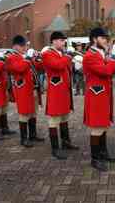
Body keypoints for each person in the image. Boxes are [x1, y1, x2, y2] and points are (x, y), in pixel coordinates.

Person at [83, 27, 115, 172]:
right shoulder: (91, 55)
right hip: (96, 94)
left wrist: (111, 56)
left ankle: (103, 152)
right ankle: (95, 158)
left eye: (106, 38)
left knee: (103, 125)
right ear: (94, 39)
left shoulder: (100, 53)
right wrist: (114, 57)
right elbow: (107, 71)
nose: (106, 40)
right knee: (97, 127)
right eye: (103, 38)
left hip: (103, 93)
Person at [42, 32, 79, 160]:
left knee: (64, 117)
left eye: (64, 41)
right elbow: (58, 66)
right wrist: (68, 57)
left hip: (64, 91)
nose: (63, 43)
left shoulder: (60, 54)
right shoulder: (47, 54)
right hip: (56, 92)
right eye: (61, 40)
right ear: (54, 41)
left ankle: (65, 142)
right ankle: (55, 148)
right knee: (54, 120)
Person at [6, 35, 44, 148]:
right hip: (23, 89)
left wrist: (39, 59)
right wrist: (28, 58)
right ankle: (23, 138)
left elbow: (37, 67)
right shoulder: (11, 57)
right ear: (15, 46)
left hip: (33, 88)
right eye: (22, 45)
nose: (24, 47)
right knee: (24, 113)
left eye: (25, 45)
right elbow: (19, 68)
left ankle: (33, 135)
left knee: (33, 112)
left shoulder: (24, 56)